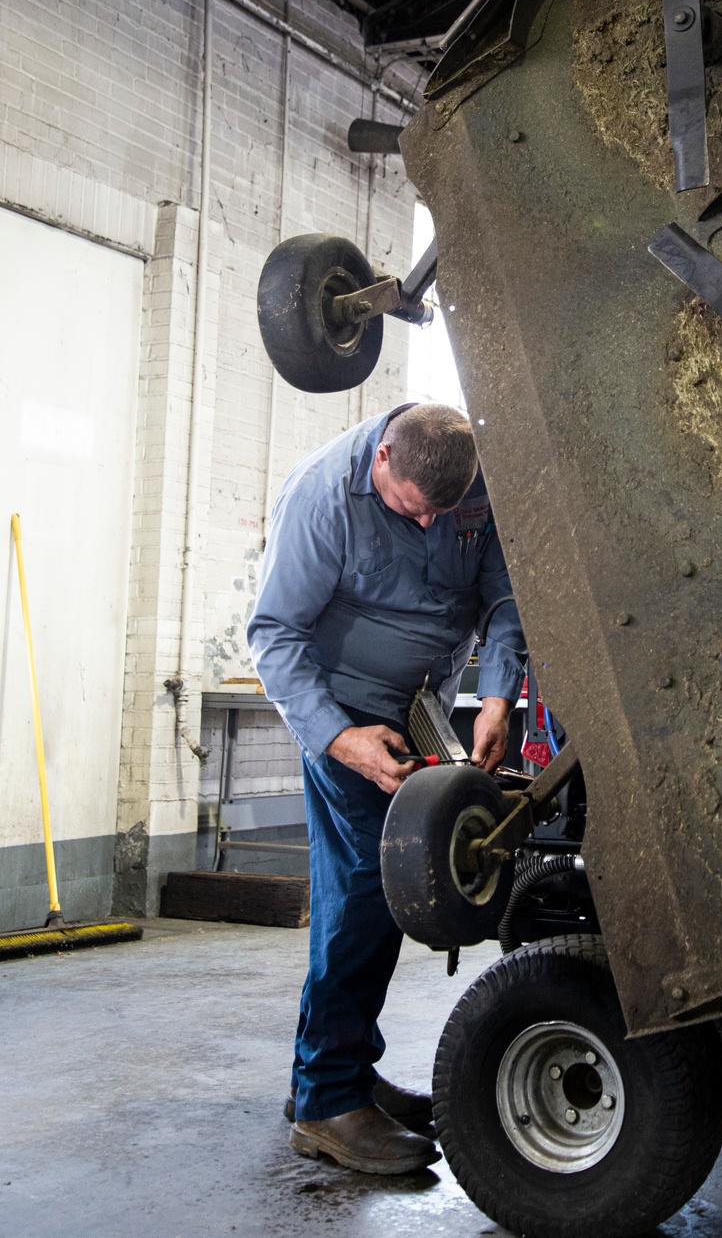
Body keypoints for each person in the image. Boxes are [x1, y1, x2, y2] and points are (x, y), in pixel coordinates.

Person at [247, 403, 526, 1175]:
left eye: (448, 511)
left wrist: (498, 694)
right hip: (345, 719)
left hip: (420, 705)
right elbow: (272, 635)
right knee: (368, 893)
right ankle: (328, 1102)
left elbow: (503, 595)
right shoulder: (322, 497)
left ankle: (337, 1076)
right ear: (382, 459)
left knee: (367, 897)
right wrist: (342, 739)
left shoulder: (466, 484)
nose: (435, 524)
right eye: (415, 509)